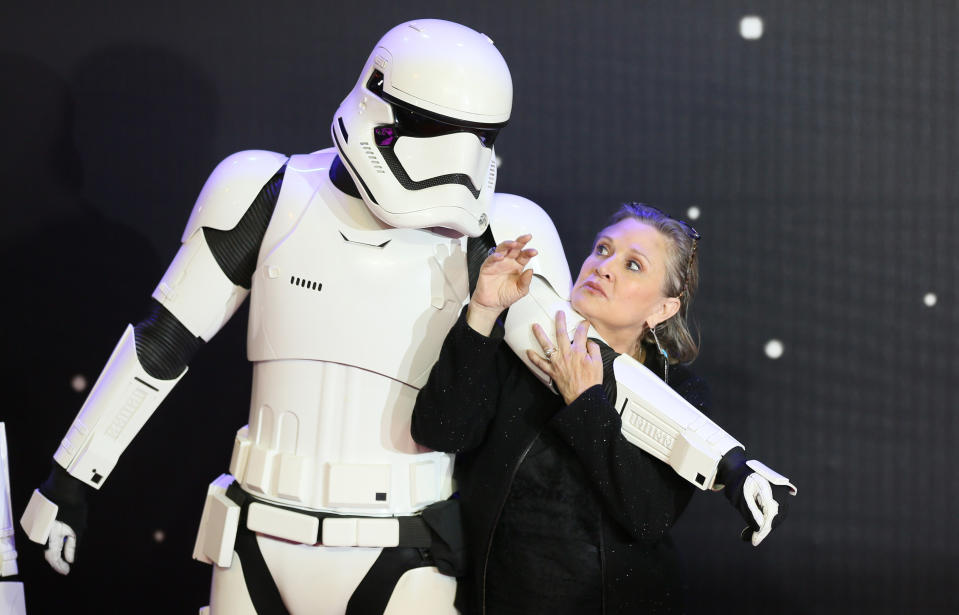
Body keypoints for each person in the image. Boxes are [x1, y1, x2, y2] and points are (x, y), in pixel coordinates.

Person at [411, 202, 791, 614]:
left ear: (663, 309)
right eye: (603, 250)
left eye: (633, 266)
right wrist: (483, 312)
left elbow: (646, 516)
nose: (604, 267)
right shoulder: (519, 355)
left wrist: (585, 402)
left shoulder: (680, 393)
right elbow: (439, 431)